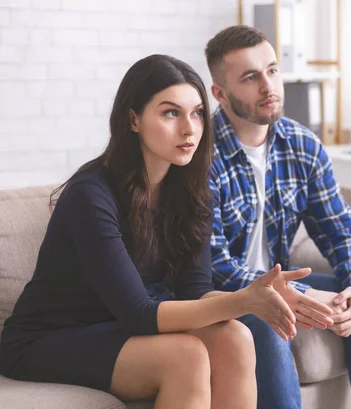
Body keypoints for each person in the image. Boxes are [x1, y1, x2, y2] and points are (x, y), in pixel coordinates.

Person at [0, 54, 301, 409]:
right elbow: (139, 313)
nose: (189, 128)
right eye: (171, 113)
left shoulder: (193, 191)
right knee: (185, 355)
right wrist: (242, 300)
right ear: (133, 119)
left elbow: (194, 292)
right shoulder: (91, 194)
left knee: (235, 336)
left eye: (197, 112)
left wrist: (263, 296)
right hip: (47, 340)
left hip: (114, 330)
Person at [205, 25, 351, 409]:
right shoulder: (200, 155)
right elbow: (213, 265)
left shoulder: (302, 145)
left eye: (273, 70)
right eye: (250, 77)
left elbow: (339, 230)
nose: (268, 85)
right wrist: (290, 294)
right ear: (220, 94)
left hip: (279, 280)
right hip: (223, 294)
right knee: (266, 317)